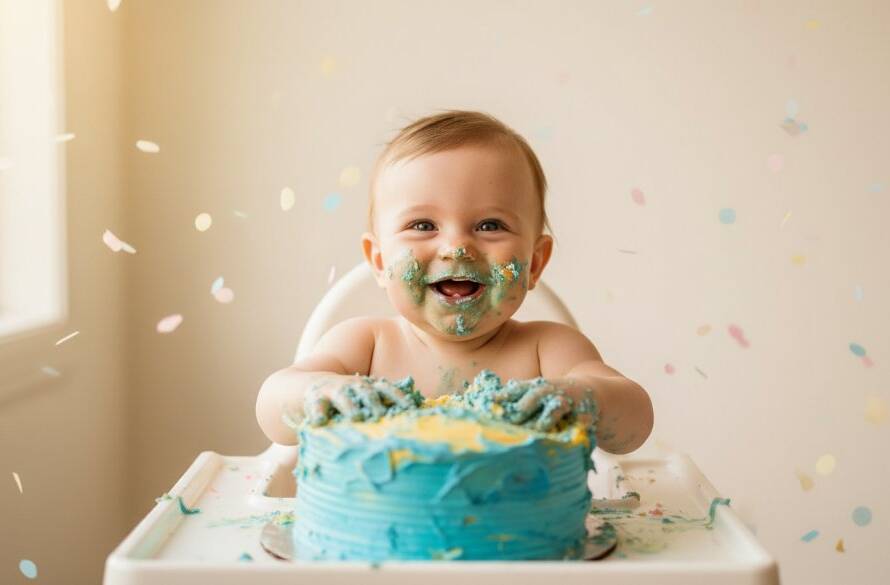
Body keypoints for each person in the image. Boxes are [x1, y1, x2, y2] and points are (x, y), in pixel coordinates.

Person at [256, 109, 653, 454]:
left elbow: (635, 421)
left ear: (534, 262)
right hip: (380, 535)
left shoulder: (547, 350)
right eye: (423, 225)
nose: (457, 247)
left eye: (489, 225)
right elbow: (273, 406)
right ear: (379, 261)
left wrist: (583, 397)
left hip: (519, 535)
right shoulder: (365, 346)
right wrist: (322, 393)